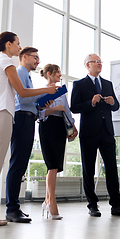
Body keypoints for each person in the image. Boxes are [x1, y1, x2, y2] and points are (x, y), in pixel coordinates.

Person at [0, 31, 58, 227]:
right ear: (9, 44)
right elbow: (21, 92)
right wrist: (47, 89)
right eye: (18, 44)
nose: (19, 47)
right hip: (1, 114)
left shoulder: (1, 63)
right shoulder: (6, 63)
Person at [70, 53, 120, 217]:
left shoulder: (108, 84)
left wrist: (113, 103)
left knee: (112, 169)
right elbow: (74, 107)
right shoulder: (79, 84)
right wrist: (91, 102)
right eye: (95, 62)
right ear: (87, 65)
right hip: (89, 132)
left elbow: (116, 105)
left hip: (106, 131)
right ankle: (92, 205)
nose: (99, 64)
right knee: (88, 169)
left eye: (100, 62)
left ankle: (116, 205)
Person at [5, 46, 47, 223]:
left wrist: (41, 102)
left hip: (28, 118)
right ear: (24, 57)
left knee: (21, 163)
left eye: (38, 58)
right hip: (22, 118)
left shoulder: (27, 75)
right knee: (17, 163)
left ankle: (15, 206)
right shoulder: (21, 71)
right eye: (35, 57)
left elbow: (29, 99)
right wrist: (44, 92)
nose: (38, 61)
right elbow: (22, 98)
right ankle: (12, 208)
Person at [39, 64, 78, 220]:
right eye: (57, 73)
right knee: (52, 165)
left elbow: (67, 109)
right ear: (49, 73)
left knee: (56, 166)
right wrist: (56, 108)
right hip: (47, 126)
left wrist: (73, 126)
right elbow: (40, 113)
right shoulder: (41, 91)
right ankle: (51, 203)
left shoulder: (61, 91)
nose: (60, 76)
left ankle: (47, 200)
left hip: (60, 127)